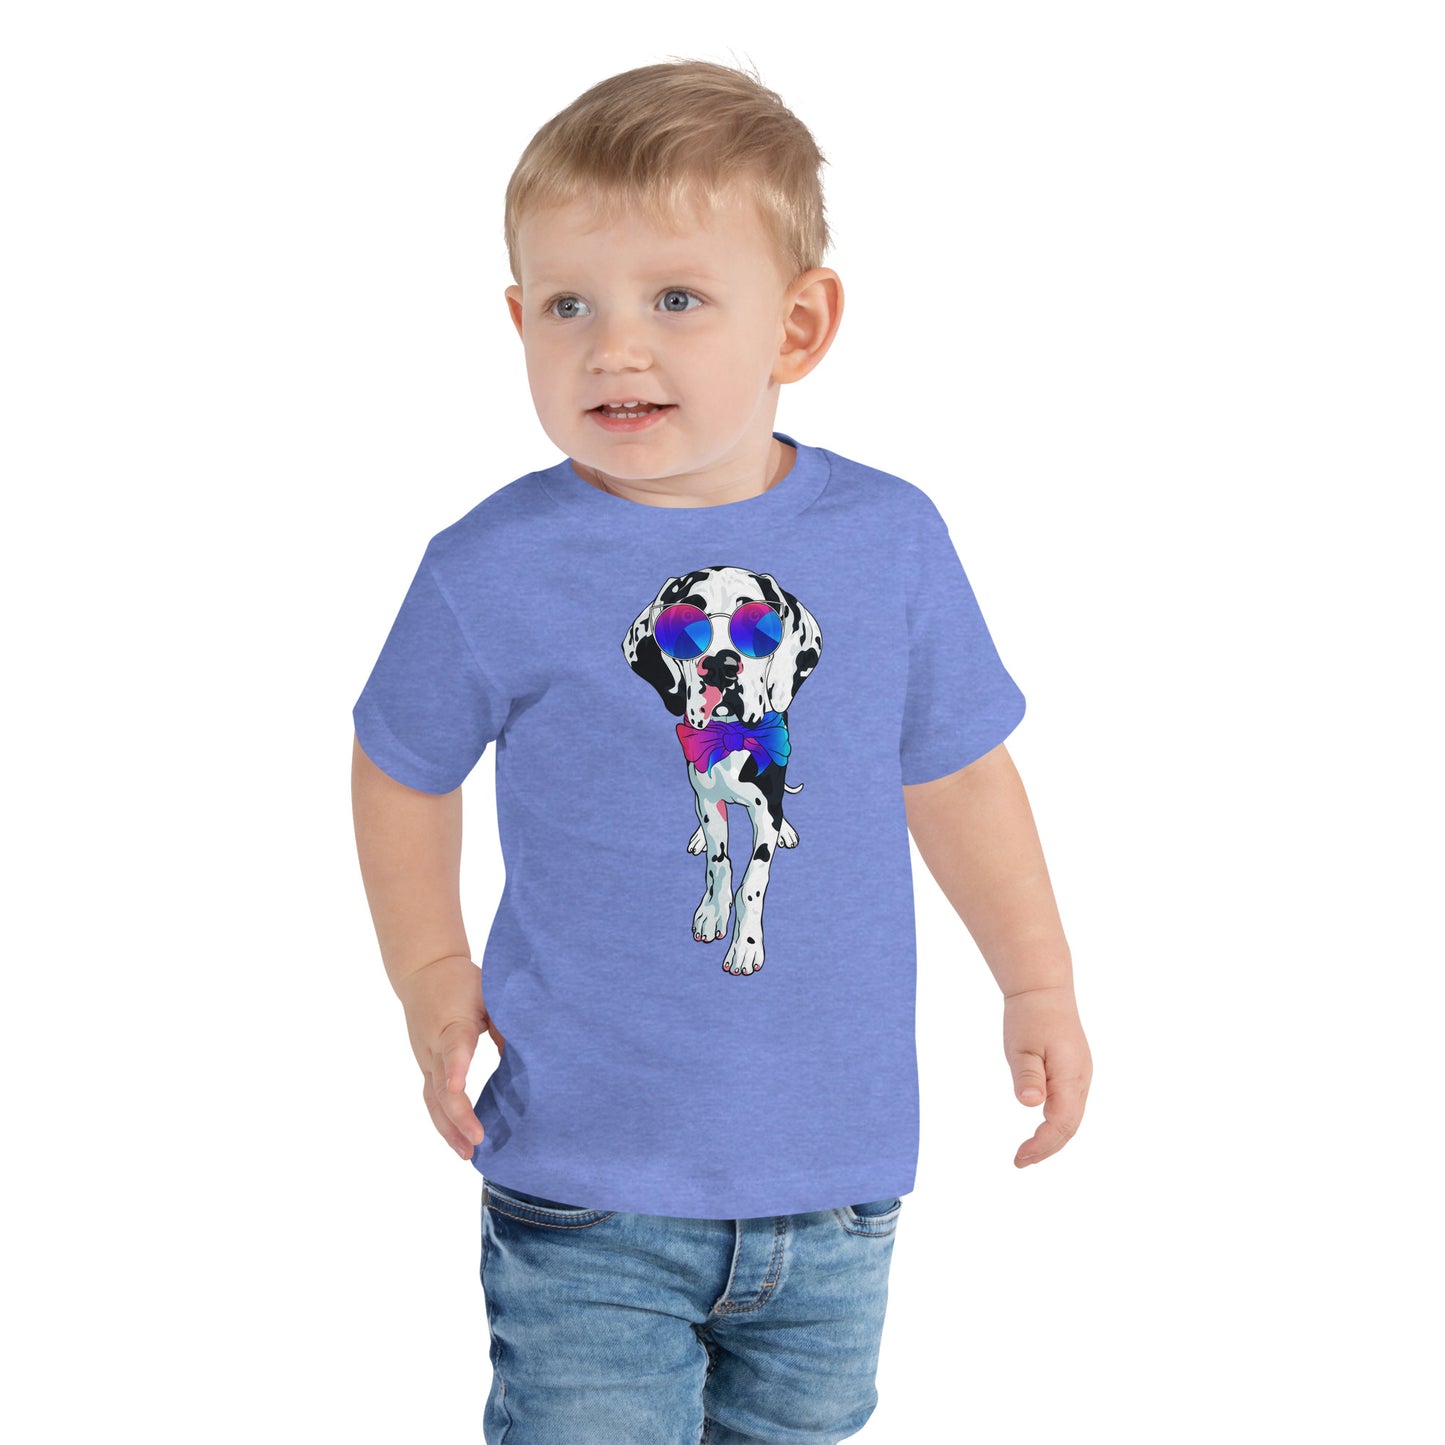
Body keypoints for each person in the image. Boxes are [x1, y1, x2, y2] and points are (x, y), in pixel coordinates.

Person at [351, 57, 1091, 1445]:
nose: (614, 347)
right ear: (516, 320)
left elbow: (956, 771)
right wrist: (430, 972)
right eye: (568, 305)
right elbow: (400, 763)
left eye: (676, 299)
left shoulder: (889, 540)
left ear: (797, 325)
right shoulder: (490, 566)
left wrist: (1036, 978)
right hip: (586, 1182)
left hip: (837, 1179)